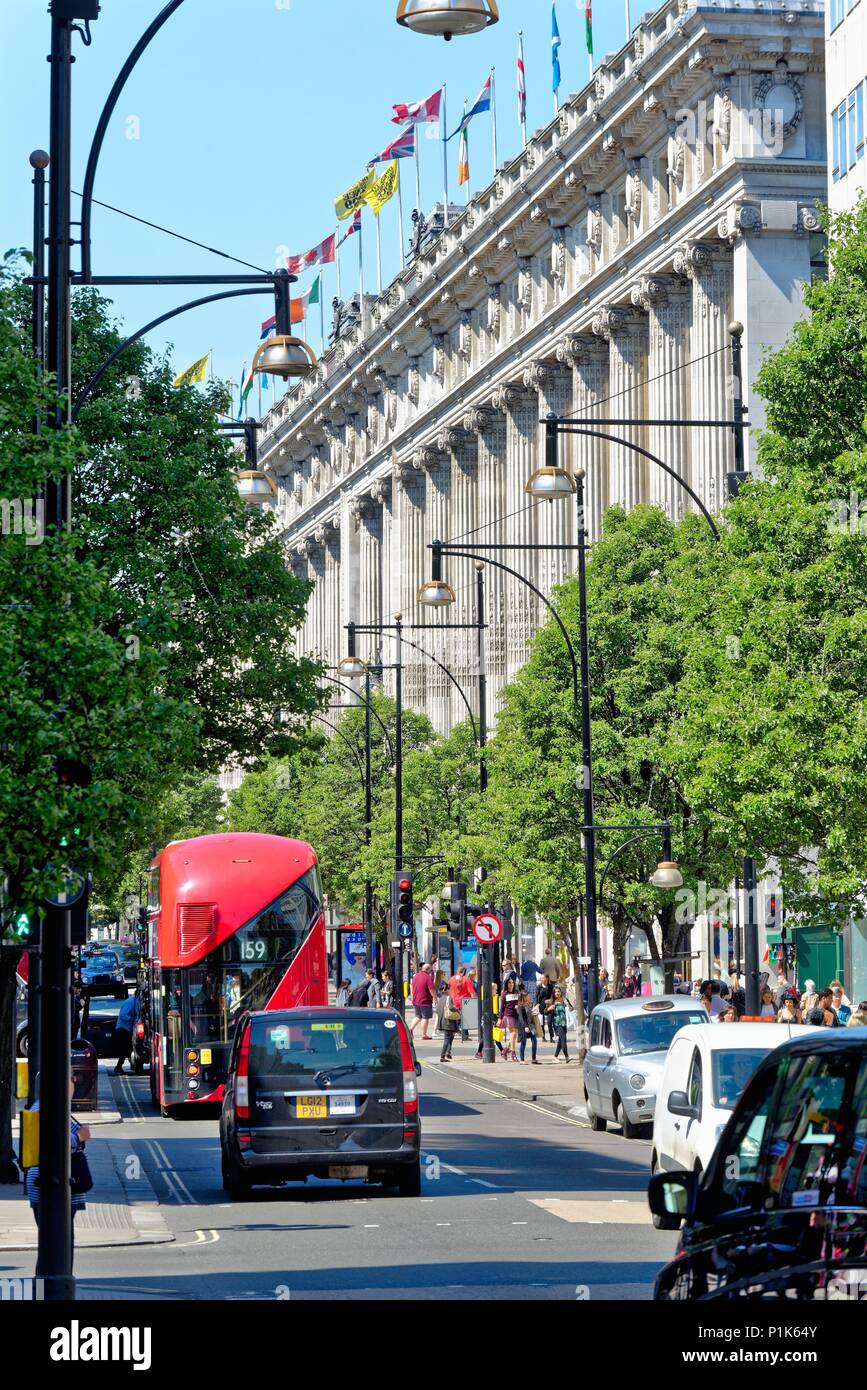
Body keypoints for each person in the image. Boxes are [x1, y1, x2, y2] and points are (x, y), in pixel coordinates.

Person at [28, 1078, 92, 1261]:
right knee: (58, 1249)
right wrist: (80, 1136)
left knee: (58, 1247)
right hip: (54, 1186)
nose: (76, 1083)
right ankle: (48, 1288)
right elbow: (54, 1146)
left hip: (61, 1186)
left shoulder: (55, 1108)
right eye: (72, 1079)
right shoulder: (47, 1109)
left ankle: (46, 1287)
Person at [113, 990, 139, 1075]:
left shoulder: (133, 1001)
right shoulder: (130, 1002)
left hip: (126, 1029)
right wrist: (133, 1019)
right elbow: (123, 1015)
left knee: (127, 1048)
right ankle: (118, 1067)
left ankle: (120, 1066)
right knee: (125, 1048)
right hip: (122, 1029)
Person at [410, 964, 435, 1040]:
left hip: (416, 1000)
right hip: (425, 1000)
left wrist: (412, 997)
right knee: (425, 1017)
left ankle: (410, 1029)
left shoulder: (415, 976)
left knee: (418, 1016)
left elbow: (412, 987)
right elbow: (432, 990)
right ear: (428, 969)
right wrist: (435, 998)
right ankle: (424, 1034)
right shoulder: (428, 978)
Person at [499, 978, 520, 1061]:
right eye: (509, 983)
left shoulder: (516, 992)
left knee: (513, 1036)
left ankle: (505, 1051)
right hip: (508, 1015)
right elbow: (502, 1007)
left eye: (512, 982)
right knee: (513, 1033)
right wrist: (500, 1019)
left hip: (516, 1015)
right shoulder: (504, 994)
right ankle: (513, 1054)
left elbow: (519, 1002)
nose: (511, 984)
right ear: (506, 984)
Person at [547, 986, 570, 1061]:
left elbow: (572, 1009)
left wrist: (568, 1004)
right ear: (553, 993)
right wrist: (549, 1009)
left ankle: (555, 1056)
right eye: (555, 992)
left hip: (564, 1023)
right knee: (563, 1040)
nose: (557, 993)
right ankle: (567, 1057)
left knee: (560, 1041)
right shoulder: (552, 1001)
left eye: (558, 991)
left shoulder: (564, 999)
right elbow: (544, 1011)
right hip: (557, 1024)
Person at [439, 982, 461, 1061]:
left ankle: (448, 1052)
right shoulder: (448, 998)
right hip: (448, 1022)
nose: (451, 990)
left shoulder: (440, 999)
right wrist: (458, 1010)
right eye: (450, 989)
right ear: (447, 989)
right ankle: (442, 1056)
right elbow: (451, 1008)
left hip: (443, 1021)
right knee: (447, 1038)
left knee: (451, 1036)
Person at [517, 989, 539, 1064]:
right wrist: (525, 1026)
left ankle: (534, 1058)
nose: (529, 997)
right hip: (524, 1026)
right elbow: (521, 1018)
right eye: (528, 996)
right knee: (523, 1042)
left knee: (534, 1041)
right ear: (524, 997)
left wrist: (534, 1010)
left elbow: (530, 1015)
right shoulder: (520, 1006)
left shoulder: (529, 1005)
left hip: (530, 1026)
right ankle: (522, 1060)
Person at [535, 974, 555, 1042]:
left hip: (549, 1006)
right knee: (542, 1023)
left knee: (549, 1022)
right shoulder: (539, 987)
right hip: (541, 1006)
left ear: (547, 978)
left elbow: (553, 996)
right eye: (541, 978)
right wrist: (536, 1004)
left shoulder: (551, 986)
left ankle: (551, 1037)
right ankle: (543, 1037)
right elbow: (536, 996)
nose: (541, 979)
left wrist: (550, 1001)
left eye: (543, 978)